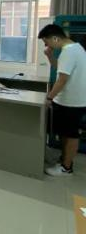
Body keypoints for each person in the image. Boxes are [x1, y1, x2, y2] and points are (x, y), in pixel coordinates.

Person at [38, 24, 86, 176]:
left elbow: (62, 79)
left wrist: (49, 97)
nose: (47, 45)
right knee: (66, 132)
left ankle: (66, 167)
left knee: (71, 134)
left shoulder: (69, 52)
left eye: (46, 42)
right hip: (72, 101)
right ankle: (65, 160)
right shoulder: (74, 48)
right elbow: (61, 68)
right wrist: (50, 56)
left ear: (55, 38)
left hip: (72, 102)